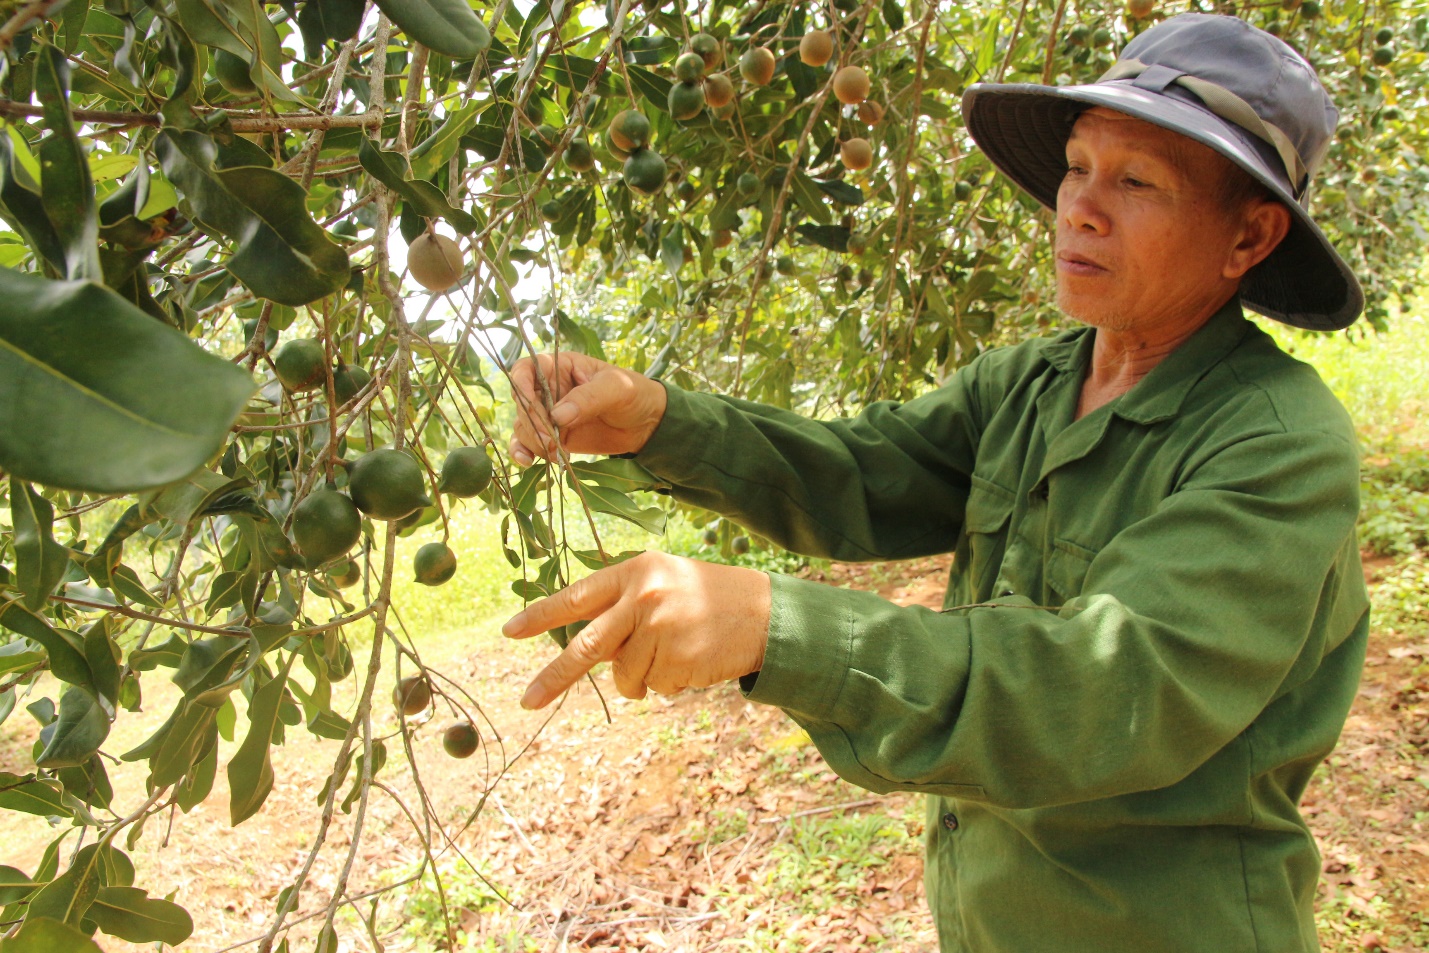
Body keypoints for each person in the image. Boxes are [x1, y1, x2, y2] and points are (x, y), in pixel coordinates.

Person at [501, 14, 1369, 952]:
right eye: (1078, 166)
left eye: (1136, 182)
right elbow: (862, 473)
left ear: (1247, 238)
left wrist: (772, 624)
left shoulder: (1276, 444)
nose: (1078, 207)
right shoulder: (1035, 383)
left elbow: (1098, 689)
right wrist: (658, 418)